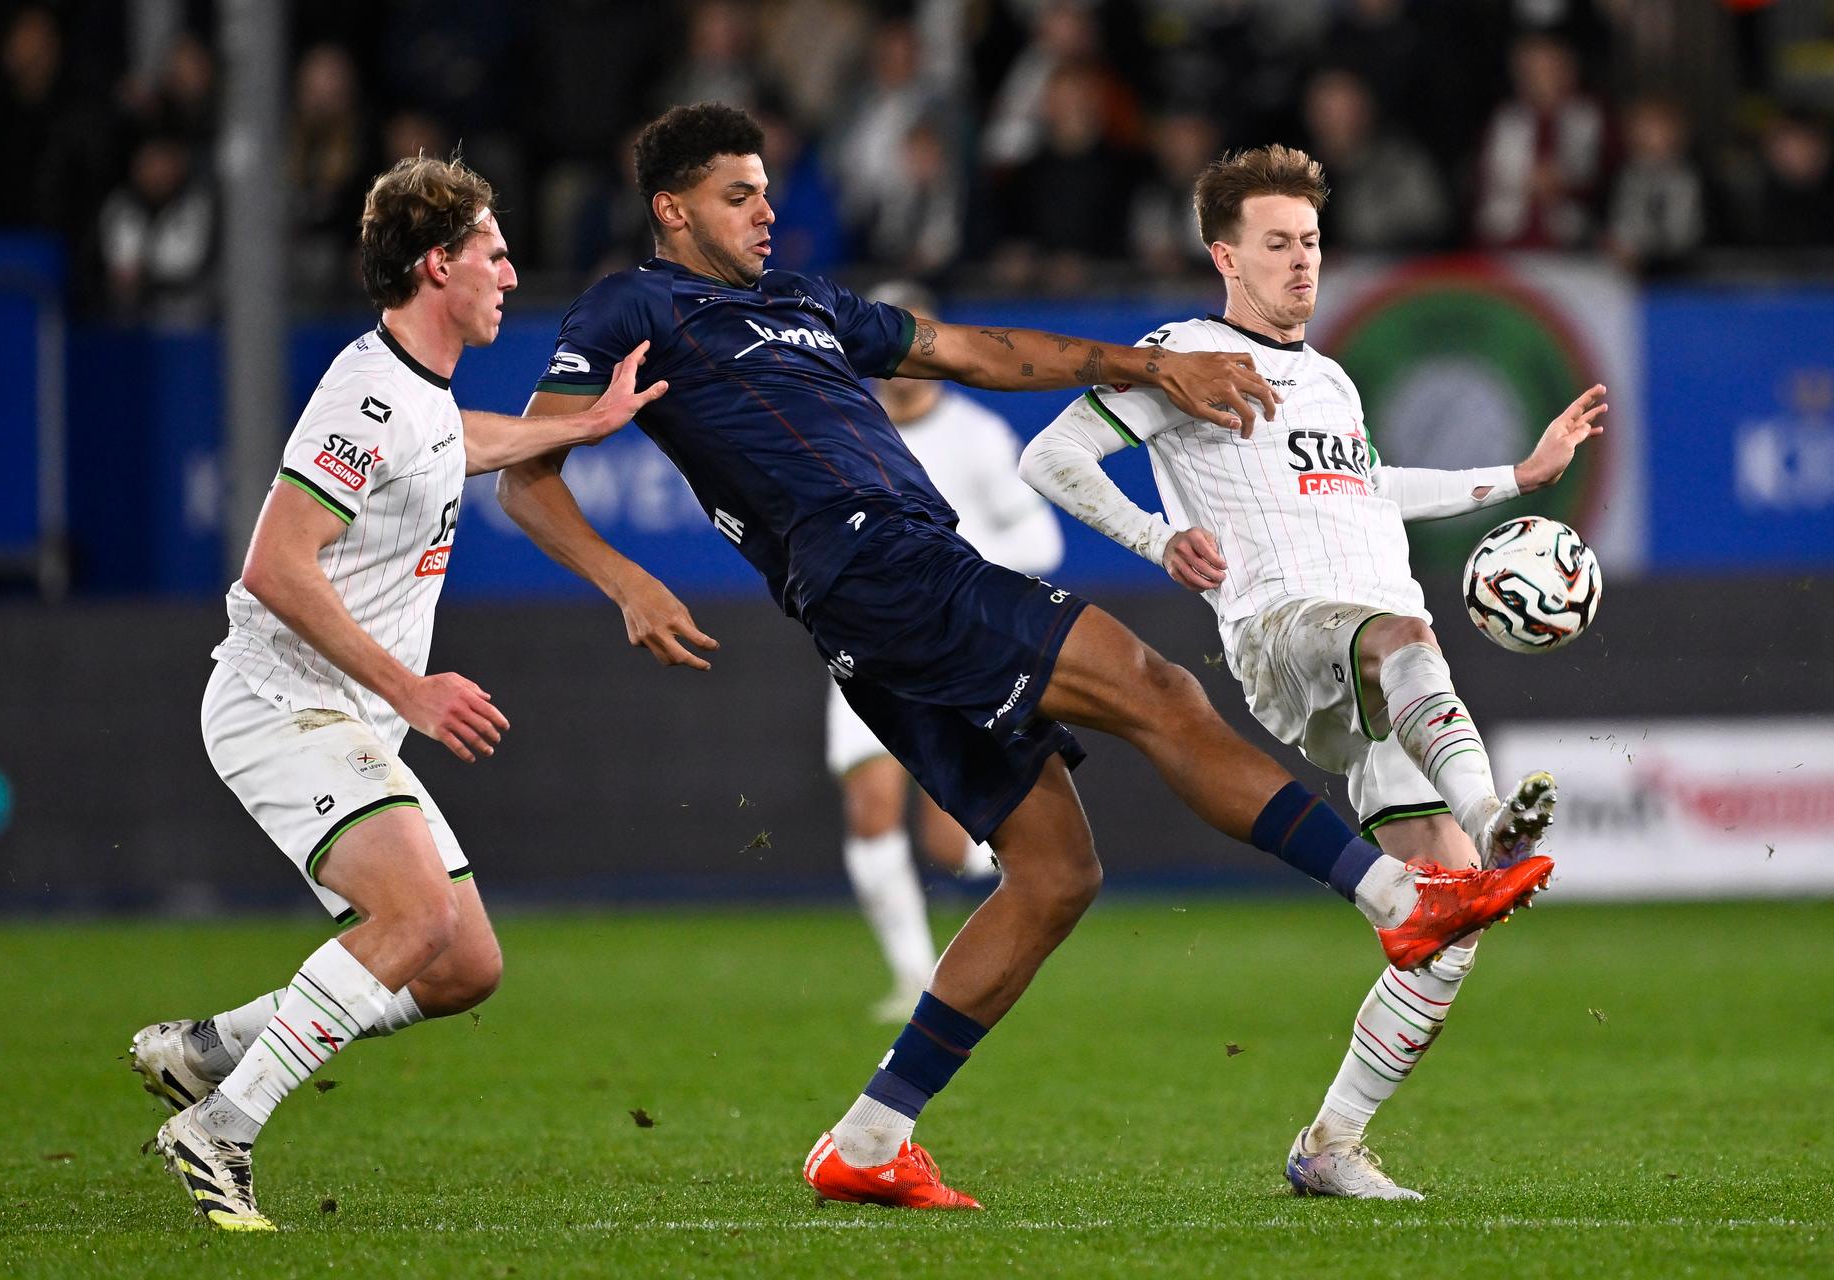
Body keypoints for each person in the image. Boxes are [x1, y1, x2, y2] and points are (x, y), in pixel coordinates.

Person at [498, 103, 1552, 1211]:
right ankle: (1397, 897)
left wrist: (1141, 368)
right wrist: (626, 579)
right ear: (673, 209)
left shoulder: (804, 304)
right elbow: (529, 470)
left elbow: (976, 351)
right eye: (738, 195)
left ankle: (870, 1135)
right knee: (1160, 689)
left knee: (1054, 873)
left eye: (767, 189)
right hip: (877, 563)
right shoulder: (635, 304)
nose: (768, 211)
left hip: (882, 589)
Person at [1019, 144, 1605, 1200]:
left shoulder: (1330, 377)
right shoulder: (1184, 353)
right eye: (1279, 244)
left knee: (1452, 913)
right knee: (1399, 637)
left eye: (1314, 242)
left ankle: (1331, 1143)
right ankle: (1493, 809)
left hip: (1377, 663)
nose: (1303, 263)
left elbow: (1370, 488)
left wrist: (1516, 474)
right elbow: (1050, 459)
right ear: (1225, 256)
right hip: (1286, 630)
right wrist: (1153, 539)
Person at [129, 154, 662, 1231]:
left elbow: (457, 443)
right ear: (437, 264)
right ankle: (220, 1128)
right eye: (494, 252)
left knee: (464, 961)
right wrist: (411, 690)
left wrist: (578, 426)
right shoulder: (365, 394)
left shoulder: (420, 391)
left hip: (346, 712)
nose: (512, 272)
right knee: (414, 913)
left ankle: (210, 1047)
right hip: (282, 706)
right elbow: (275, 566)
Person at [832, 280, 1064, 1023]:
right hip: (866, 641)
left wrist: (943, 559)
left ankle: (979, 918)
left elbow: (1042, 540)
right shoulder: (845, 425)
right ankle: (913, 979)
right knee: (869, 809)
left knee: (947, 841)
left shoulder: (978, 435)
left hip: (955, 644)